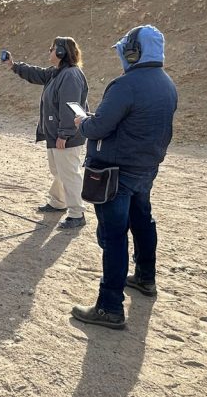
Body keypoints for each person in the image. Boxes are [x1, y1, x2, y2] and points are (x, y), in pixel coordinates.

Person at [70, 24, 178, 330]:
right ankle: (145, 276)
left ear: (134, 52)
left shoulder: (126, 85)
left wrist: (83, 121)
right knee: (143, 222)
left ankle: (109, 307)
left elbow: (98, 128)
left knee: (114, 237)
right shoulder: (167, 83)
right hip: (145, 169)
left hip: (115, 172)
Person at [3, 37, 89, 229]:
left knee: (69, 173)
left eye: (52, 49)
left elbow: (72, 107)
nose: (49, 52)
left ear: (60, 53)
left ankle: (77, 214)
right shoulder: (57, 73)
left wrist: (64, 134)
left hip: (66, 135)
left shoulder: (70, 76)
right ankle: (58, 202)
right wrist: (14, 66)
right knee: (58, 171)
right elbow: (37, 74)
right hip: (56, 134)